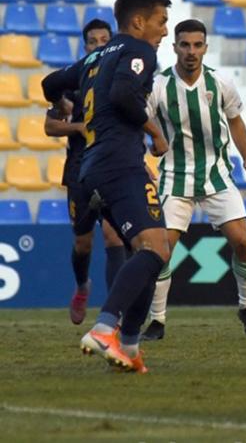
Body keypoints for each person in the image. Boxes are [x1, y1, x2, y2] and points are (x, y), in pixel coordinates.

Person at [42, 0, 173, 374]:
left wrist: (65, 100)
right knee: (154, 250)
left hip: (90, 167)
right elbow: (121, 96)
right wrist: (155, 131)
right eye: (161, 22)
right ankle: (104, 329)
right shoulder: (139, 51)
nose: (164, 31)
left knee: (152, 249)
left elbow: (51, 84)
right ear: (138, 21)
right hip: (121, 162)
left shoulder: (95, 55)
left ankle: (129, 346)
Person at [140, 19, 246, 341]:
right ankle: (157, 320)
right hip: (174, 176)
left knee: (242, 243)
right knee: (161, 250)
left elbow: (236, 122)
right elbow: (137, 119)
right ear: (175, 47)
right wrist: (146, 153)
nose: (191, 51)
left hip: (216, 174)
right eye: (185, 45)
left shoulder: (220, 83)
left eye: (197, 45)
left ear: (205, 48)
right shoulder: (158, 86)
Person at [44, 19, 128, 325]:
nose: (98, 45)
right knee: (83, 242)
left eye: (104, 40)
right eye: (92, 41)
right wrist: (77, 126)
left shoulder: (120, 79)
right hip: (79, 168)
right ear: (85, 46)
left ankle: (114, 312)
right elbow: (50, 126)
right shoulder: (73, 79)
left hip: (111, 166)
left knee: (113, 235)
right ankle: (82, 287)